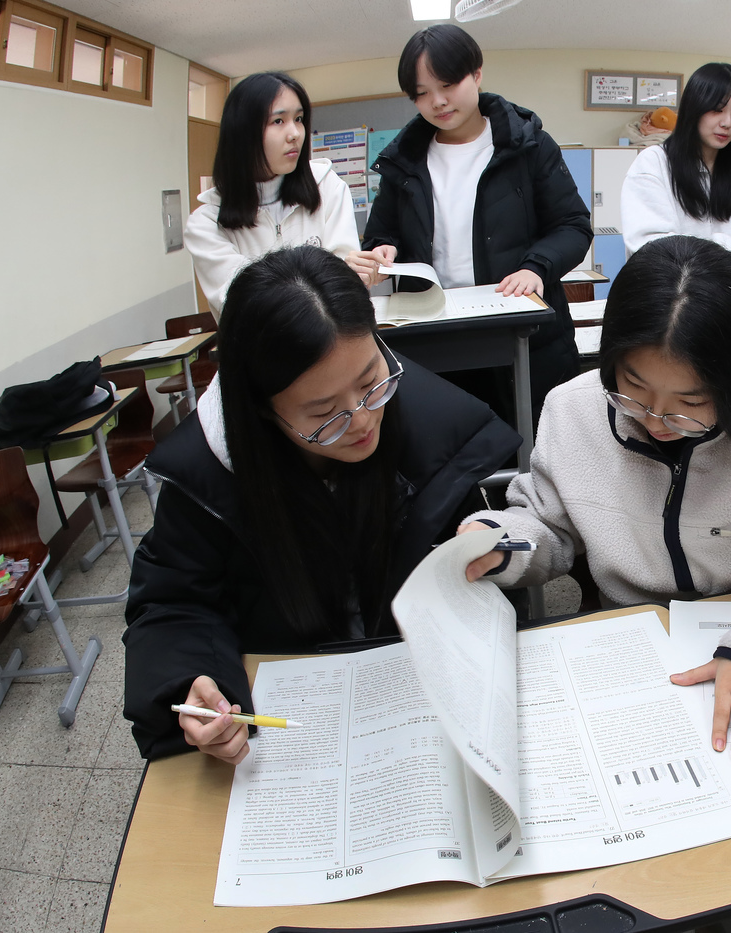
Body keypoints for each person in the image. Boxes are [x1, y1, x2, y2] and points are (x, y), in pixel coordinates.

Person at [458, 236, 731, 762]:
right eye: (632, 388)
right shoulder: (573, 410)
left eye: (691, 403)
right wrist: (505, 543)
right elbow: (549, 525)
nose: (655, 421)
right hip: (625, 648)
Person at [122, 246, 520, 762]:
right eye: (323, 412)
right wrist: (194, 679)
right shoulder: (208, 480)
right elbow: (173, 604)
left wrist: (485, 544)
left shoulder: (431, 427)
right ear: (262, 410)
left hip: (416, 693)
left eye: (370, 382)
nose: (360, 420)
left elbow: (462, 544)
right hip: (292, 715)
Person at [363, 24, 589, 412]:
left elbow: (572, 225)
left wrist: (536, 267)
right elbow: (380, 236)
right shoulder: (405, 161)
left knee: (534, 446)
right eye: (421, 94)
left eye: (448, 84)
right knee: (456, 451)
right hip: (435, 334)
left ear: (477, 74)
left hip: (522, 330)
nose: (437, 101)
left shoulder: (528, 145)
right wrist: (381, 253)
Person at [183, 71, 392, 315]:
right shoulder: (206, 224)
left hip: (333, 349)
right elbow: (248, 306)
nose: (295, 133)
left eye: (299, 119)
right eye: (278, 121)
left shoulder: (327, 187)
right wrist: (330, 276)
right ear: (243, 132)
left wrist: (361, 273)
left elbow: (347, 292)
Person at [620, 63, 731, 265]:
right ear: (694, 108)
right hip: (672, 293)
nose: (727, 122)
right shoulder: (654, 164)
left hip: (729, 294)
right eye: (717, 109)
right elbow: (651, 250)